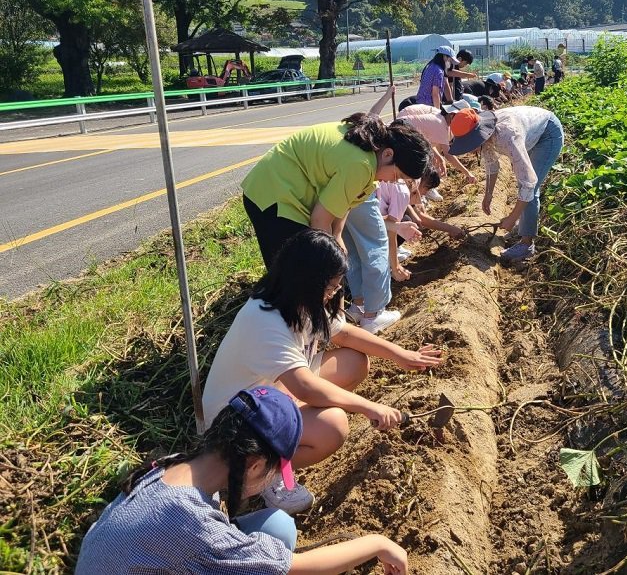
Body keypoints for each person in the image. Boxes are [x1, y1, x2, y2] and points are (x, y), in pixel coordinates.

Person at [202, 230, 443, 514]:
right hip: (234, 423)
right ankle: (261, 473)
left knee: (355, 362)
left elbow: (347, 336)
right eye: (330, 287)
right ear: (307, 279)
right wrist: (370, 407)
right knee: (333, 425)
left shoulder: (296, 301)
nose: (334, 293)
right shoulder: (265, 320)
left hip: (266, 393)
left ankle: (286, 440)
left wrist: (401, 355)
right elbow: (305, 387)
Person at [76, 385, 409, 574]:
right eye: (277, 470)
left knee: (277, 527)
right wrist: (379, 544)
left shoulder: (172, 468)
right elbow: (298, 568)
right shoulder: (191, 524)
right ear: (253, 463)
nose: (275, 480)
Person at [241, 88, 430, 269]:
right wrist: (332, 258)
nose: (392, 182)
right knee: (294, 272)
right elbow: (319, 221)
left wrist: (337, 236)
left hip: (288, 192)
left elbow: (342, 203)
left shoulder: (371, 155)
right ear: (388, 154)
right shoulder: (361, 165)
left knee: (311, 268)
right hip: (272, 195)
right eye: (397, 176)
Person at [448, 100, 564, 263]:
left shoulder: (508, 136)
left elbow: (528, 182)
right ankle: (524, 227)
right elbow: (492, 164)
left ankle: (526, 245)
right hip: (530, 131)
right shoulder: (486, 134)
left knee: (530, 188)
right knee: (524, 186)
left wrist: (512, 217)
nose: (469, 149)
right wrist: (488, 194)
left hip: (547, 135)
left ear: (478, 134)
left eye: (469, 144)